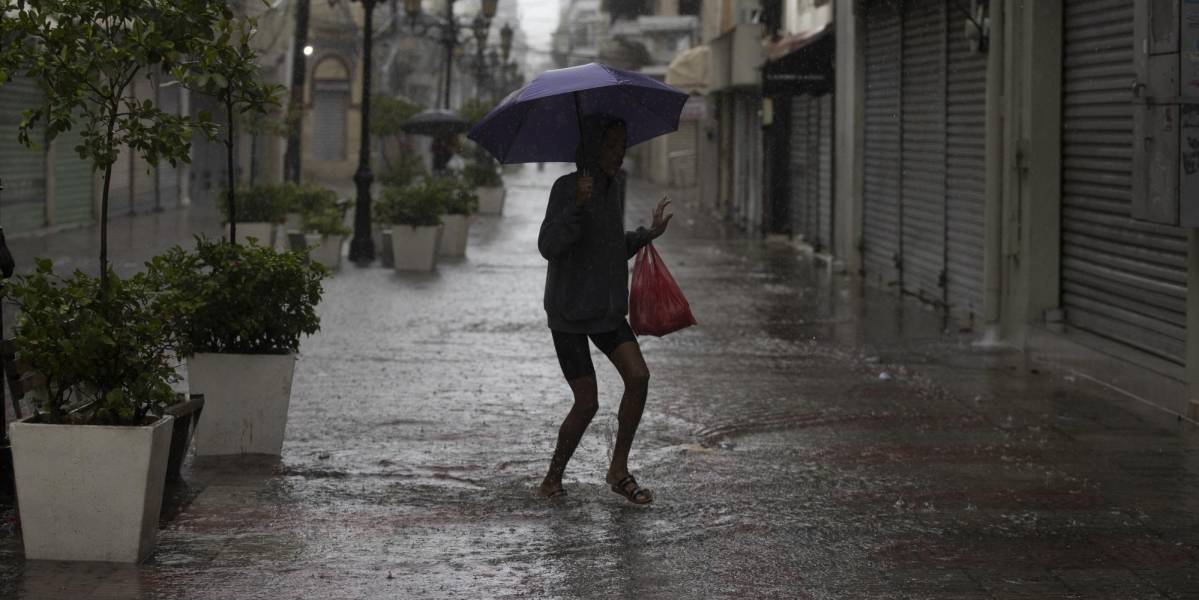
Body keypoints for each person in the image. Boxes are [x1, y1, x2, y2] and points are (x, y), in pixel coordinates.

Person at [536, 114, 673, 505]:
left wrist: (647, 235)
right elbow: (548, 245)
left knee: (639, 377)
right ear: (593, 149)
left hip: (606, 308)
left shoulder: (614, 186)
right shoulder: (567, 188)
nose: (619, 153)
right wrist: (576, 208)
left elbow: (610, 245)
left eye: (622, 145)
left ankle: (618, 469)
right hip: (569, 313)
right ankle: (552, 478)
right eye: (611, 145)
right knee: (588, 401)